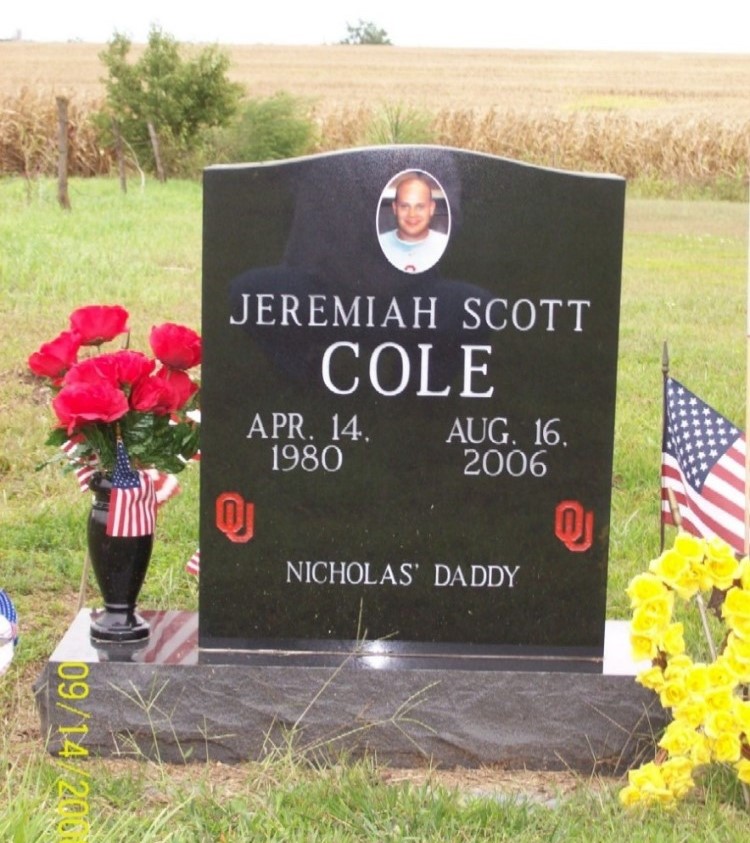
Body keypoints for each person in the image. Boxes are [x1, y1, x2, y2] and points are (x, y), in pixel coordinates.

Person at [378, 172, 449, 273]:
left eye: (420, 207)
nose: (412, 214)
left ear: (431, 208)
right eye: (404, 206)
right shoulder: (379, 244)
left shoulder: (446, 245)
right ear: (395, 208)